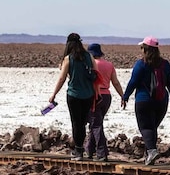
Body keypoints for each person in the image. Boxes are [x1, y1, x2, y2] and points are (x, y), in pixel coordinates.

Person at [122, 36, 170, 166]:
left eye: (141, 48)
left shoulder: (141, 64)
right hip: (161, 101)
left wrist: (126, 96)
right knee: (152, 127)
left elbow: (133, 82)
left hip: (143, 100)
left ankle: (152, 151)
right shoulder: (165, 64)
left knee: (146, 127)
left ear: (145, 49)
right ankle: (149, 155)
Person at [49, 33, 96, 161]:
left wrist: (54, 94)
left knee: (76, 122)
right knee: (82, 123)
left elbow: (62, 78)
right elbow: (95, 74)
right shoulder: (89, 57)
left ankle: (78, 150)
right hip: (88, 95)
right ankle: (80, 149)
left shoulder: (68, 59)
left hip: (74, 95)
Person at [85, 43, 124, 161]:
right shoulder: (109, 65)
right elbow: (115, 82)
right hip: (107, 96)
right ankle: (89, 149)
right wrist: (122, 95)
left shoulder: (90, 65)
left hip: (94, 95)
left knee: (95, 124)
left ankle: (102, 152)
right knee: (96, 122)